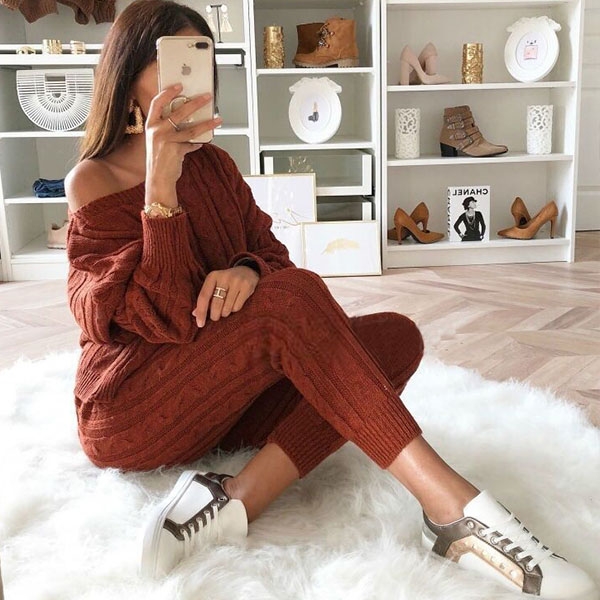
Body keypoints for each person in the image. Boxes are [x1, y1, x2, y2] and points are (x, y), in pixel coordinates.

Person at [65, 1, 597, 598]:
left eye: (202, 63)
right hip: (130, 409)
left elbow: (271, 256)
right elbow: (155, 317)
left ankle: (239, 500)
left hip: (222, 399)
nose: (191, 81)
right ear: (126, 76)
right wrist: (160, 187)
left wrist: (245, 270)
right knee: (295, 302)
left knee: (394, 338)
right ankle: (454, 510)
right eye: (171, 64)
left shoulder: (215, 167)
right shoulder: (92, 181)